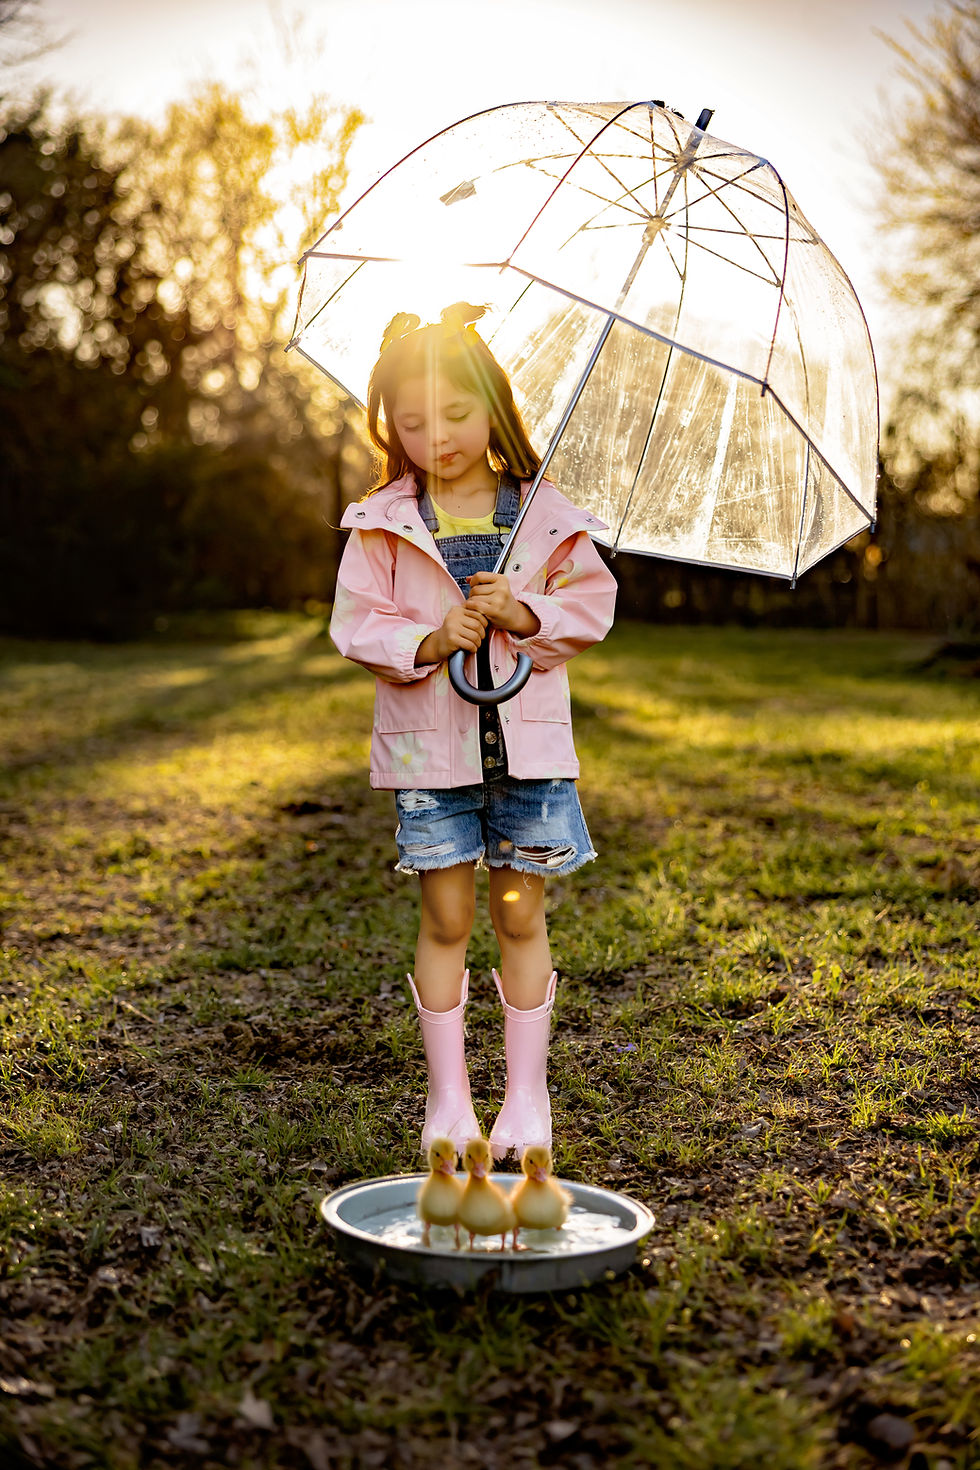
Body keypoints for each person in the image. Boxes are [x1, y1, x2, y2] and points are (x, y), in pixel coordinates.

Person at [329, 303, 617, 1160]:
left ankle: (526, 1100)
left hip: (524, 749)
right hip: (430, 750)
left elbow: (591, 607)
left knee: (519, 915)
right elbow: (354, 622)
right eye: (412, 424)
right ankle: (448, 1101)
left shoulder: (542, 512)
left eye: (455, 415)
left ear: (492, 404)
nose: (437, 438)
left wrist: (526, 613)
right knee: (448, 915)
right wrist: (425, 640)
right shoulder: (382, 518)